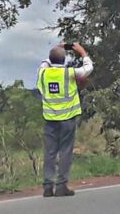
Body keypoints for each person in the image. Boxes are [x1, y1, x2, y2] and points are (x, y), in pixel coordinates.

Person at [38, 42, 94, 197]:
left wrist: (57, 48)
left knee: (49, 153)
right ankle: (61, 186)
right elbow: (88, 68)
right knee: (65, 152)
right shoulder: (69, 73)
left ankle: (48, 187)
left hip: (50, 119)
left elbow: (45, 62)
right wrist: (82, 52)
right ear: (64, 60)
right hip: (67, 119)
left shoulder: (43, 73)